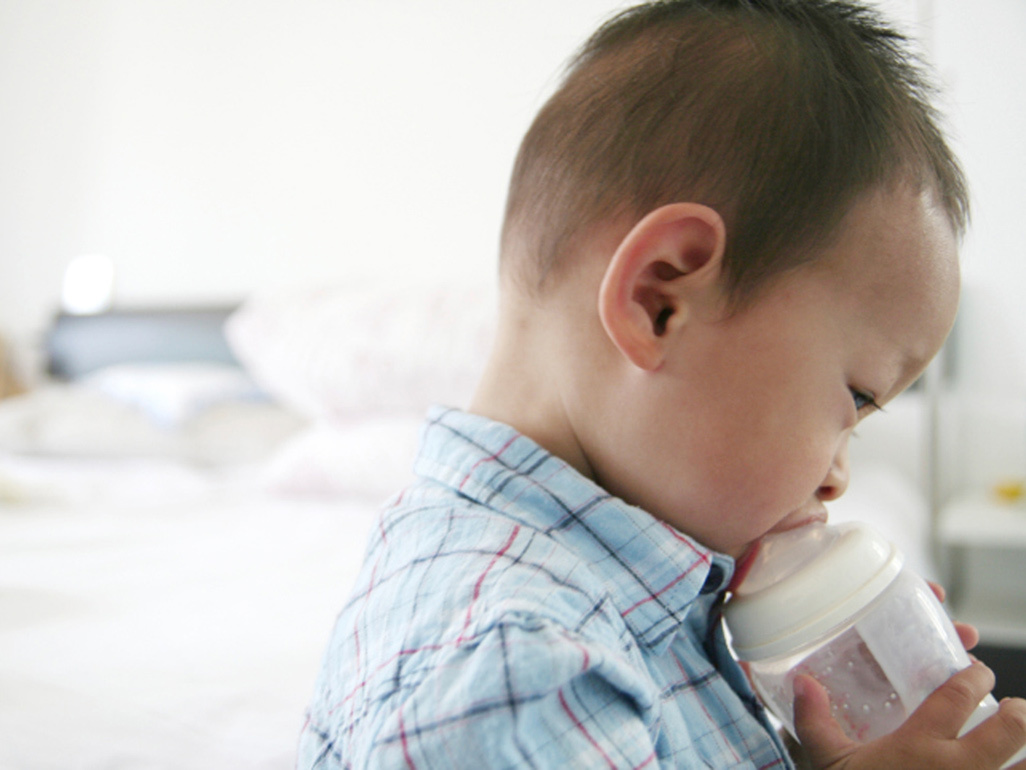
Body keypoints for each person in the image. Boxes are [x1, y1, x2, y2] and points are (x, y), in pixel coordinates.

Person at [298, 1, 1026, 767]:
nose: (839, 477)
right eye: (853, 399)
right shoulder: (522, 670)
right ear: (660, 301)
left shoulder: (613, 582)